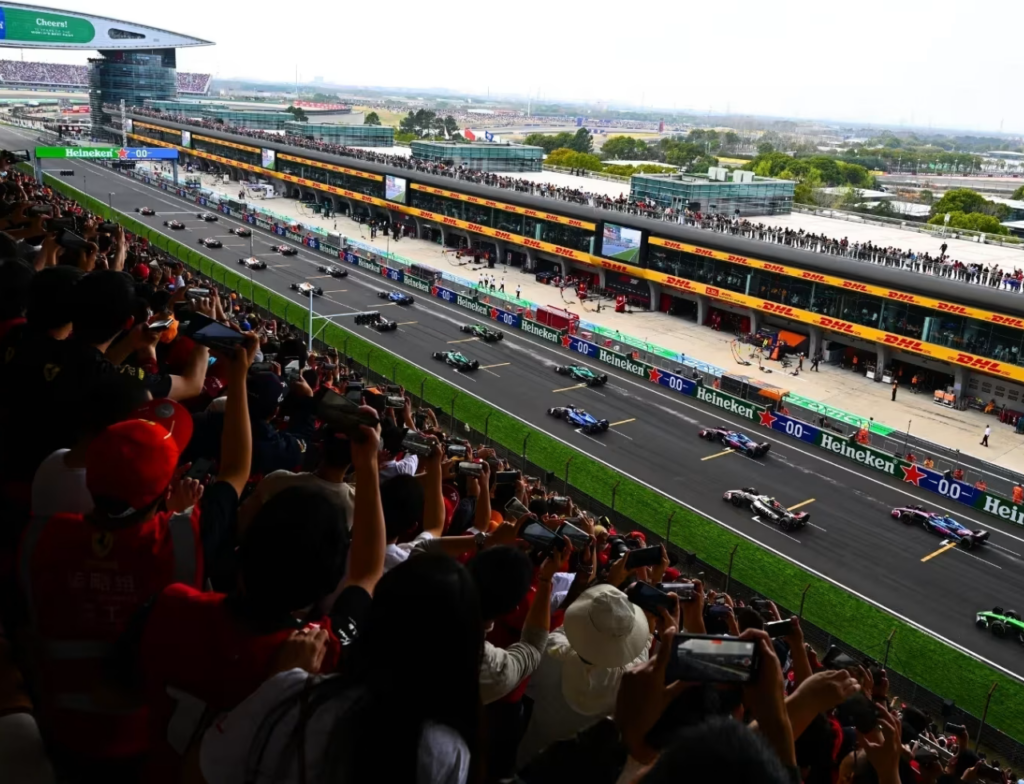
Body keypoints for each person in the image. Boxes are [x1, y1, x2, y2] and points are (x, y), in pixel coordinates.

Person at [196, 554, 481, 784]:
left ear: (375, 622)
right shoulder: (450, 754)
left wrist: (277, 681)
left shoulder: (294, 692)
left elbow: (201, 770)